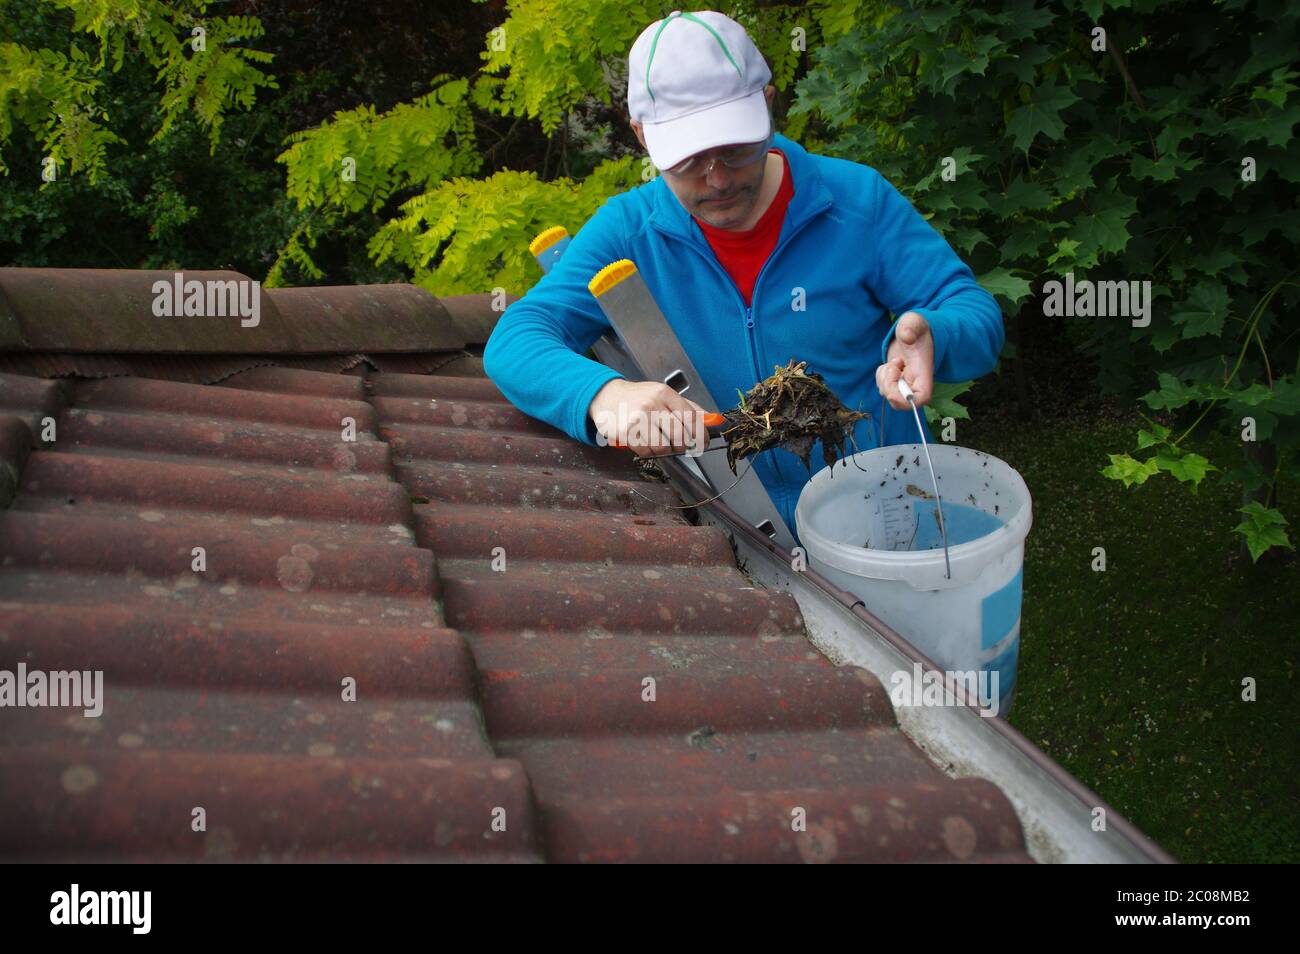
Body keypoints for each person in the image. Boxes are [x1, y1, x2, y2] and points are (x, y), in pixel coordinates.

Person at [484, 9, 1003, 536]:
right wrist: (605, 395)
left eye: (735, 148)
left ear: (768, 106)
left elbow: (974, 311)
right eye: (687, 160)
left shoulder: (856, 202)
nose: (717, 179)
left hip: (885, 507)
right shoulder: (628, 233)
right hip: (742, 533)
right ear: (643, 137)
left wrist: (936, 335)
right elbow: (518, 338)